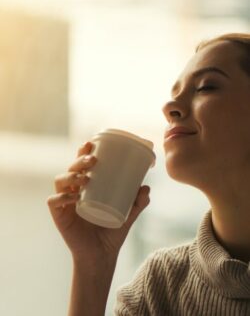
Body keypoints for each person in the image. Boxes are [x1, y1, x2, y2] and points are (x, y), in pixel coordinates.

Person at [47, 32, 250, 316]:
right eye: (174, 94)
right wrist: (92, 263)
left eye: (206, 87)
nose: (169, 108)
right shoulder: (159, 287)